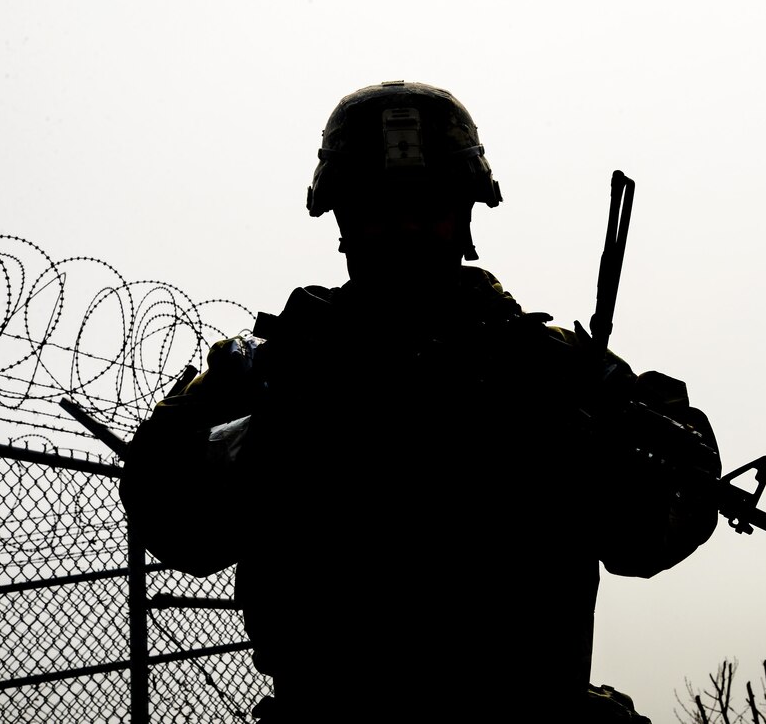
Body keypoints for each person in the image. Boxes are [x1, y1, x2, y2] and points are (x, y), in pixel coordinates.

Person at [119, 80, 723, 723]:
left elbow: (656, 528)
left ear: (465, 213)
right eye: (377, 205)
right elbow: (177, 526)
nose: (404, 226)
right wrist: (271, 442)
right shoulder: (276, 366)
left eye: (427, 203)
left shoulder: (550, 368)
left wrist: (577, 451)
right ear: (341, 217)